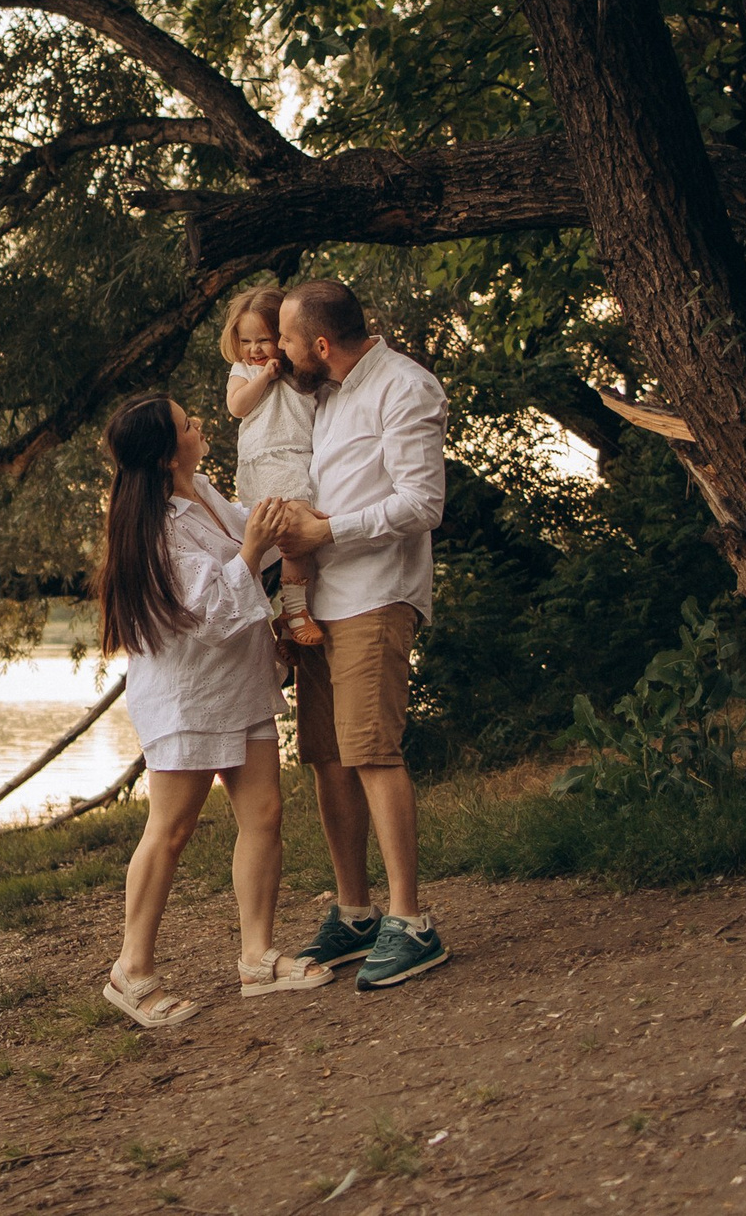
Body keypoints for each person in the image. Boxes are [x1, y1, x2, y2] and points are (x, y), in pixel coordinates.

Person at [95, 393, 335, 1028]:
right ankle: (131, 971)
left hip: (240, 683)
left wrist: (284, 521)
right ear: (167, 453)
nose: (198, 424)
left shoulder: (200, 491)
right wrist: (252, 549)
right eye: (186, 424)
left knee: (264, 814)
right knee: (171, 830)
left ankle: (257, 959)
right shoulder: (156, 531)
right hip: (189, 695)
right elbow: (210, 613)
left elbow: (248, 535)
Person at [270, 279, 452, 991]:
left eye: (286, 339)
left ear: (320, 343)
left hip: (376, 595)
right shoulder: (324, 394)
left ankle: (412, 921)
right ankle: (356, 914)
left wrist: (329, 532)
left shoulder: (405, 387)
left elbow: (422, 503)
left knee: (372, 751)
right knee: (328, 758)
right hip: (320, 602)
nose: (278, 351)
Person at [220, 284, 325, 648]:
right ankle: (292, 612)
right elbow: (237, 406)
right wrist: (265, 376)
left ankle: (289, 617)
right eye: (246, 341)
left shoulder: (301, 369)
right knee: (290, 533)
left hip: (296, 458)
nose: (254, 349)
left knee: (293, 534)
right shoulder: (244, 371)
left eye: (263, 340)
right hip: (263, 462)